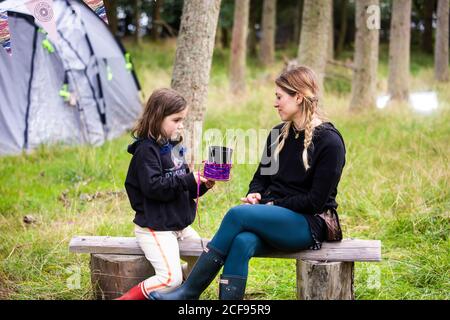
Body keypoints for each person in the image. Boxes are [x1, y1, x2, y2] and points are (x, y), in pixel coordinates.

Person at [149, 66, 347, 300]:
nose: (275, 103)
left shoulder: (329, 141)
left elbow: (315, 202)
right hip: (278, 216)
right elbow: (261, 179)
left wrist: (272, 207)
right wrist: (256, 195)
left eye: (279, 97)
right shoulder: (278, 134)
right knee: (242, 242)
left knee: (237, 215)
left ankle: (189, 291)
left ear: (299, 97)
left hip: (309, 224)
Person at [116, 88, 215, 300]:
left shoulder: (174, 148)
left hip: (179, 226)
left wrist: (203, 184)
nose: (181, 125)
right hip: (156, 227)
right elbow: (154, 187)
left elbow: (183, 188)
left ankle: (178, 296)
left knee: (205, 264)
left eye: (183, 119)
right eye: (176, 119)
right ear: (157, 117)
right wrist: (189, 179)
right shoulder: (146, 151)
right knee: (170, 278)